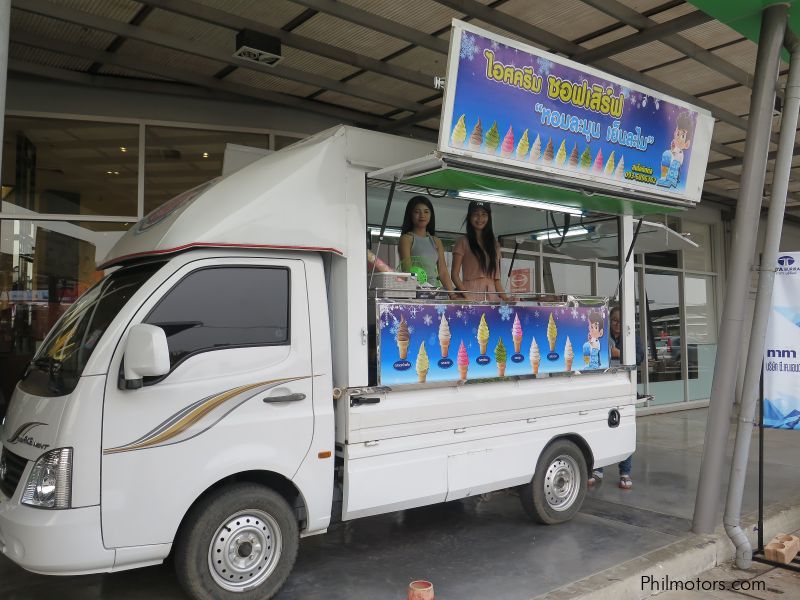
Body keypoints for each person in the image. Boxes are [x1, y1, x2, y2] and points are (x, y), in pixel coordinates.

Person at [589, 306, 643, 490]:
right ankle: (597, 469)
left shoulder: (631, 336)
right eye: (614, 321)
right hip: (603, 389)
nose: (617, 325)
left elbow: (640, 357)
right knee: (599, 429)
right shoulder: (601, 335)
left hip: (624, 390)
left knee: (624, 431)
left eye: (621, 321)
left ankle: (625, 472)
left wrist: (619, 353)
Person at [450, 201, 510, 301]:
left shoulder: (495, 244)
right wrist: (466, 295)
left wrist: (506, 299)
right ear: (469, 217)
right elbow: (454, 275)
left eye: (484, 214)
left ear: (489, 217)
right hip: (470, 293)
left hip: (492, 297)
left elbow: (496, 280)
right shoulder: (462, 241)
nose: (480, 218)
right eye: (476, 214)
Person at [398, 196, 455, 293]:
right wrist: (421, 289)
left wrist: (453, 295)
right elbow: (407, 270)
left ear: (431, 215)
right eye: (417, 212)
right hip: (415, 292)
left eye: (426, 211)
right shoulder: (406, 239)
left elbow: (443, 272)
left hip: (434, 292)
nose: (422, 215)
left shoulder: (436, 241)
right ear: (410, 214)